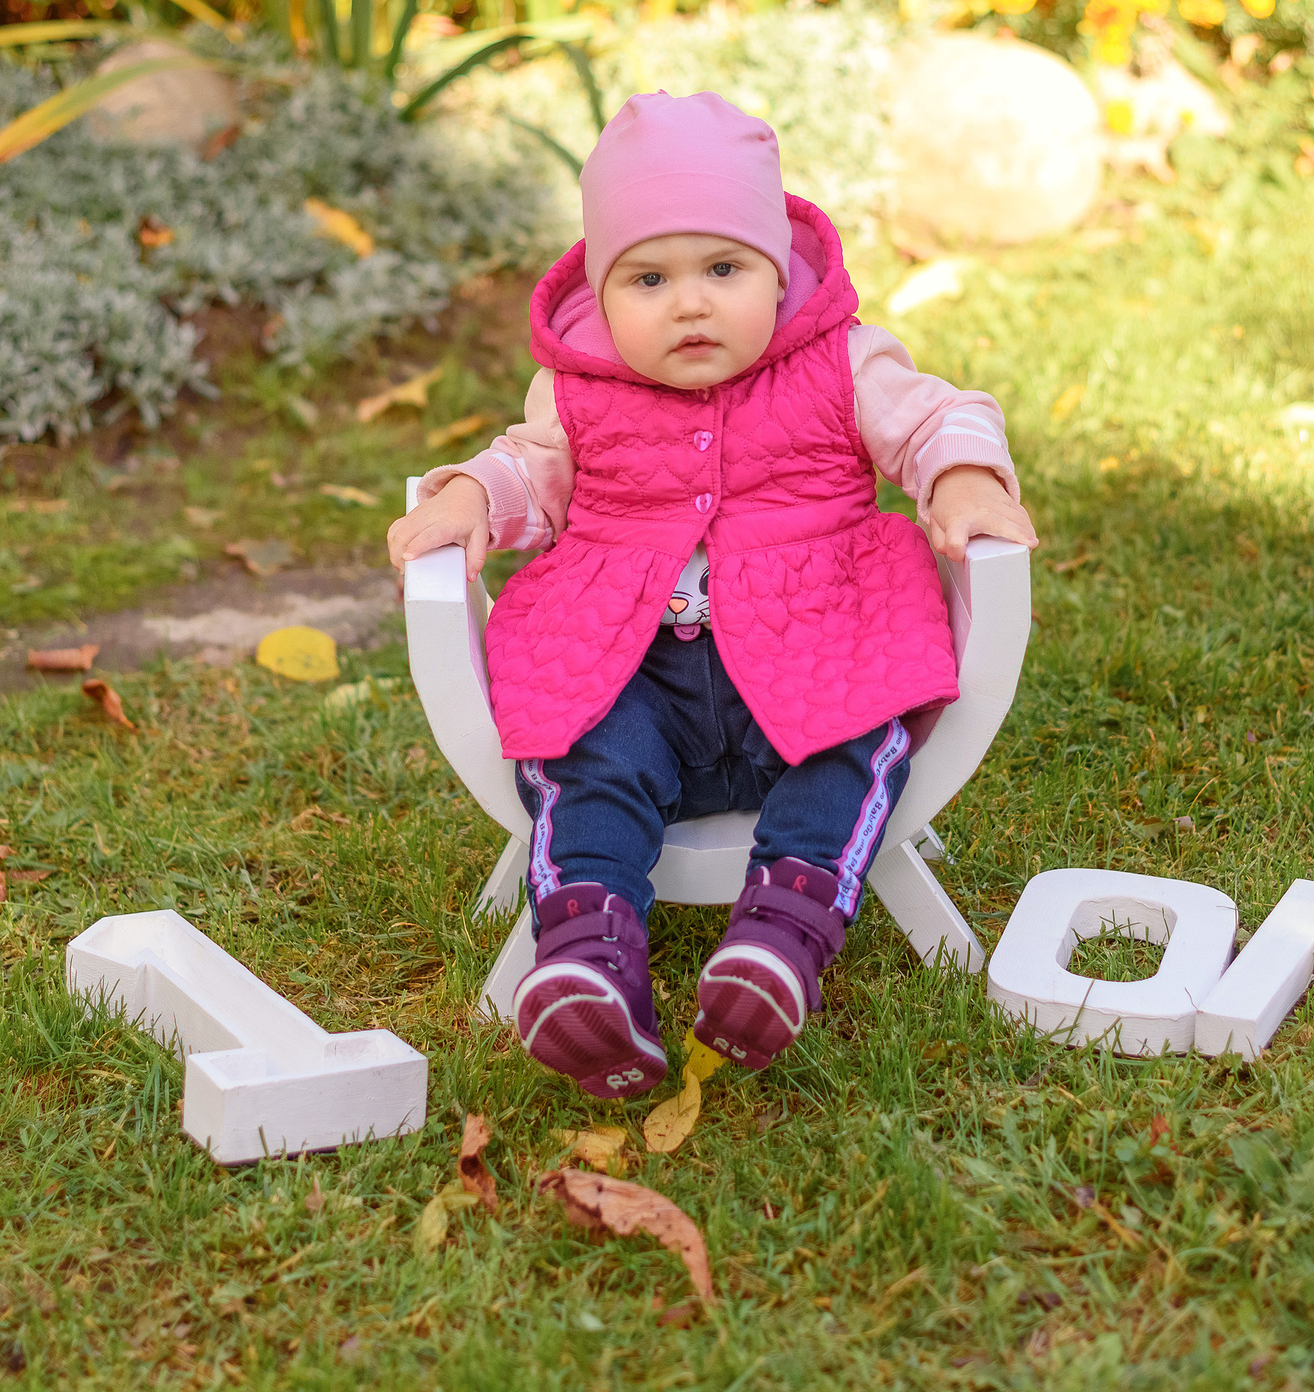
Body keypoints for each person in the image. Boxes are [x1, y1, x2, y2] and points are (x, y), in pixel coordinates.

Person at [387, 92, 1037, 1098]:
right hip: (636, 671)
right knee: (588, 756)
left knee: (856, 742)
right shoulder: (575, 390)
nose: (689, 303)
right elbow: (534, 467)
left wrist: (959, 473)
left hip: (812, 656)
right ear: (602, 296)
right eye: (648, 278)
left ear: (778, 270)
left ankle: (780, 939)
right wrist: (475, 492)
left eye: (722, 270)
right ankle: (585, 957)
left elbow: (933, 419)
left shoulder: (842, 359)